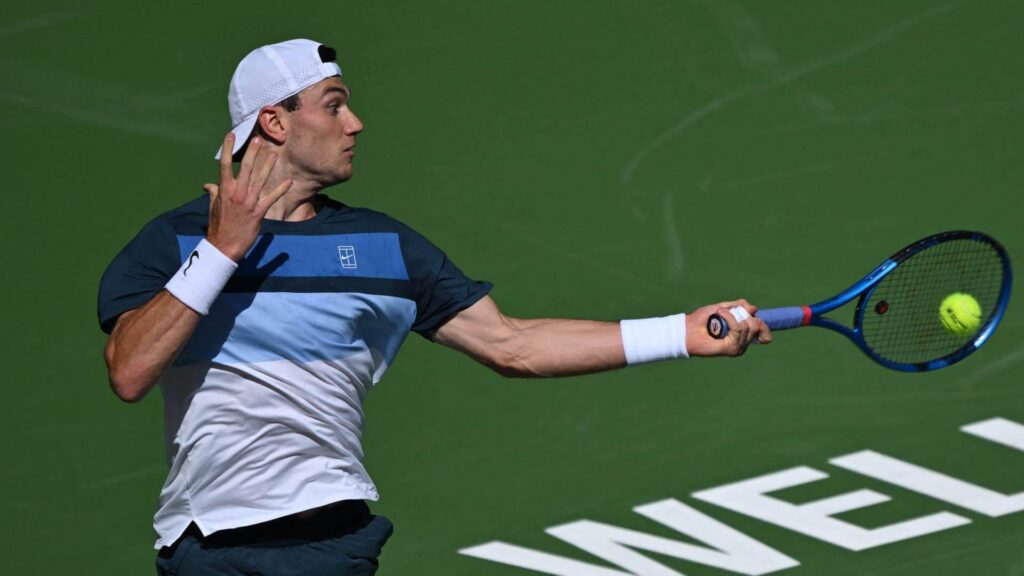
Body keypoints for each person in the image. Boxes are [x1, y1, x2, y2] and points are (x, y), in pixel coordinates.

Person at [97, 38, 770, 576]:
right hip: (204, 548)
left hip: (327, 544)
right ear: (275, 120)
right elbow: (129, 370)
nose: (355, 123)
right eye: (333, 105)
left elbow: (513, 344)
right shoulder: (178, 241)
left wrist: (679, 333)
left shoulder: (383, 247)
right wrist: (221, 252)